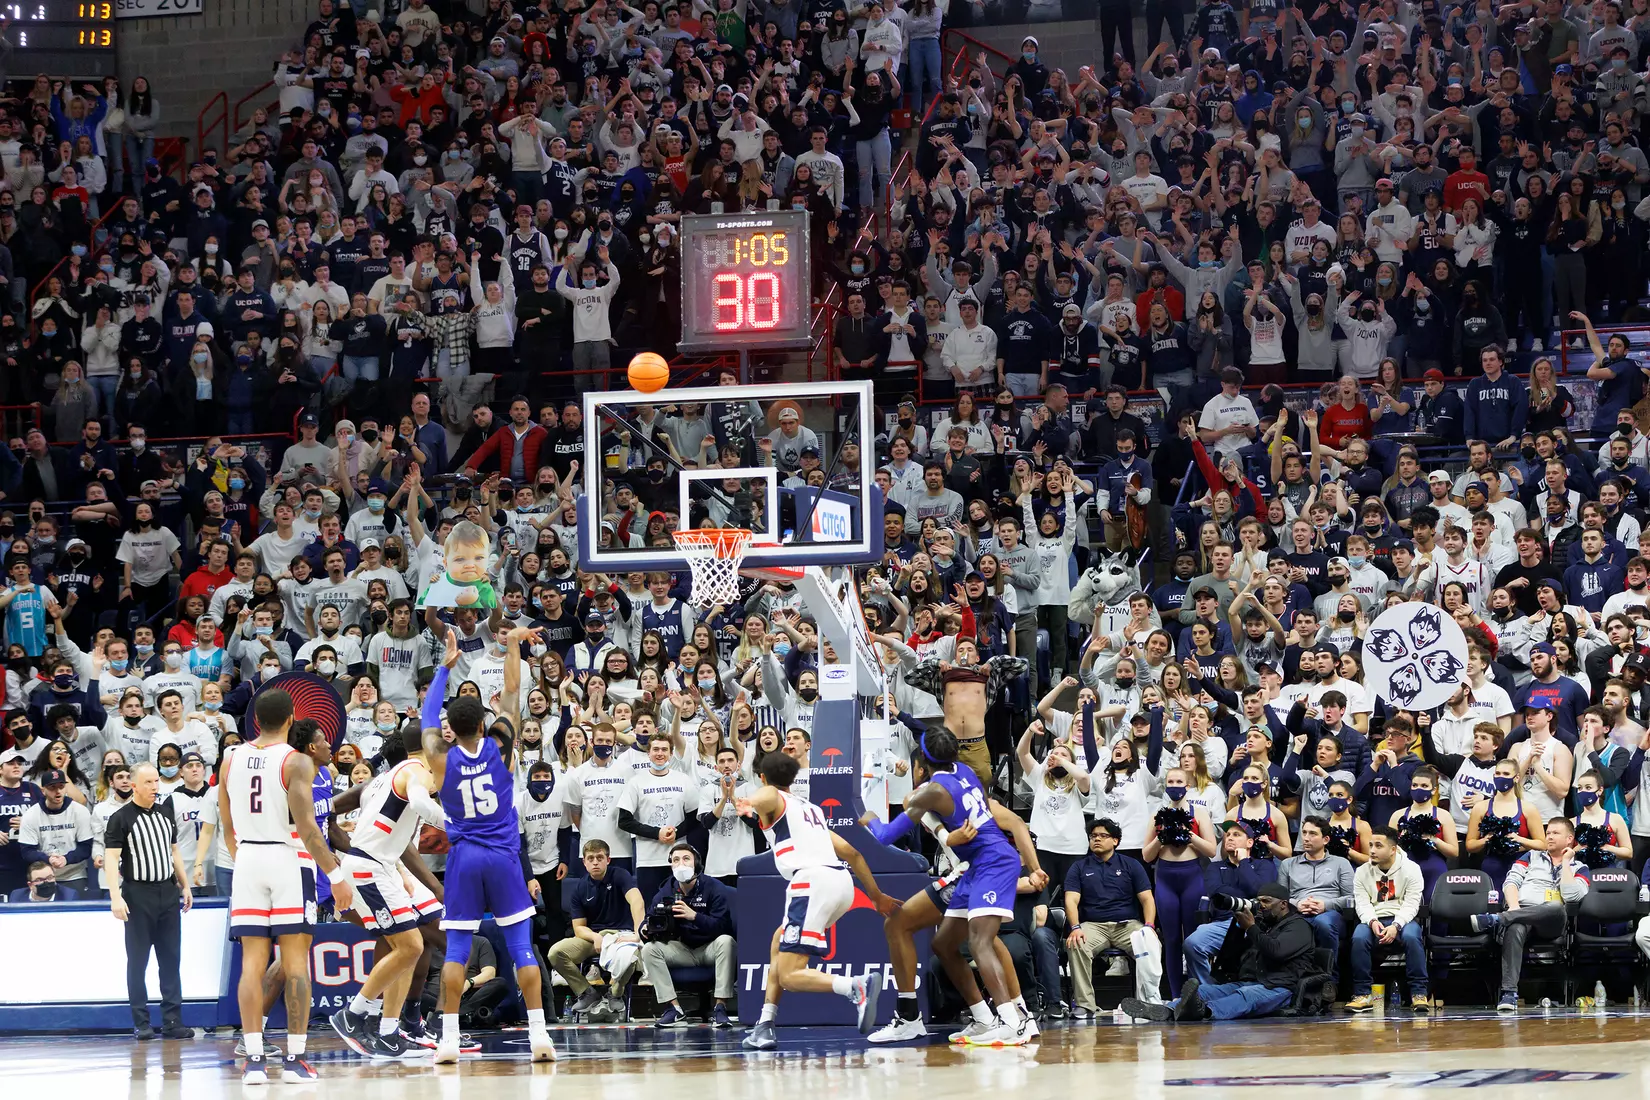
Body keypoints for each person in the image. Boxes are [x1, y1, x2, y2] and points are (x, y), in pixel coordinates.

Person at [421, 624, 557, 1062]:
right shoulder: (501, 749)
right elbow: (513, 691)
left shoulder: (439, 757)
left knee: (458, 951)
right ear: (482, 724)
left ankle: (447, 1039)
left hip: (463, 858)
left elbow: (426, 718)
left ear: (451, 729)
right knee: (520, 948)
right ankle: (539, 1035)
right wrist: (512, 643)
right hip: (502, 856)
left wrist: (445, 669)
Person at [863, 726, 1045, 1044]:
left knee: (981, 942)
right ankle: (985, 1019)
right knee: (944, 944)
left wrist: (870, 817)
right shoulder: (964, 771)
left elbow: (886, 835)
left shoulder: (930, 792)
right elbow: (954, 812)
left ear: (921, 761)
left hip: (990, 863)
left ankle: (1013, 1020)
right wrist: (947, 835)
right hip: (974, 866)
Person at [221, 689, 353, 1083]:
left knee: (251, 965)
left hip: (247, 858)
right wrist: (336, 875)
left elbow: (227, 825)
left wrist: (246, 856)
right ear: (292, 718)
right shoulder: (296, 761)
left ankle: (254, 1060)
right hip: (289, 859)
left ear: (255, 720)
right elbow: (309, 829)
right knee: (295, 964)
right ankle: (295, 1060)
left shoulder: (230, 758)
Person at [737, 751, 898, 1050]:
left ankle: (855, 986)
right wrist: (875, 896)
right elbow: (852, 853)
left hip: (811, 882)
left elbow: (768, 795)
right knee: (779, 942)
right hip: (841, 883)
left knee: (789, 975)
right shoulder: (811, 810)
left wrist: (749, 802)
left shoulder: (773, 798)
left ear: (762, 777)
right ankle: (765, 1024)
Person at [327, 720, 447, 1057]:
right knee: (411, 946)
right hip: (370, 867)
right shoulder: (416, 770)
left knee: (409, 948)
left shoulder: (381, 779)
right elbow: (422, 805)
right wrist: (458, 826)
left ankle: (388, 1030)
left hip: (380, 865)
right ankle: (354, 1014)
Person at [1121, 882, 1328, 1022]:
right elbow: (1230, 954)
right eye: (1259, 901)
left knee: (1244, 996)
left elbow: (1276, 951)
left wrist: (1251, 928)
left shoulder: (1299, 926)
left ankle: (1203, 1011)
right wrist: (1238, 927)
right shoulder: (1263, 924)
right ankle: (1166, 1011)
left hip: (1282, 988)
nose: (1261, 906)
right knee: (1204, 991)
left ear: (1283, 904)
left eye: (1266, 901)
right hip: (1253, 981)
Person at [103, 762, 194, 1040]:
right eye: (149, 782)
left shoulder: (165, 813)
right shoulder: (120, 818)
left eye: (156, 782)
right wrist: (115, 896)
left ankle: (173, 1021)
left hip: (167, 892)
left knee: (171, 959)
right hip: (137, 894)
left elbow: (174, 851)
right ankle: (141, 1022)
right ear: (134, 786)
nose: (155, 787)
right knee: (138, 960)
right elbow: (110, 859)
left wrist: (185, 885)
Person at [1473, 817, 1591, 1013]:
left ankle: (1498, 919)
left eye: (1555, 833)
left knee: (1556, 906)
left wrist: (1566, 862)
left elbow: (1571, 896)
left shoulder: (1580, 868)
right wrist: (1514, 907)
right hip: (1521, 912)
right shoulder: (1531, 856)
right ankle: (1509, 993)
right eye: (1548, 833)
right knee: (1515, 927)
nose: (1549, 836)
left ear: (1570, 839)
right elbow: (1511, 882)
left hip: (1551, 921)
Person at [1063, 817, 1163, 1020]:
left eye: (1103, 835)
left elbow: (1147, 899)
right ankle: (1085, 1005)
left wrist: (1149, 926)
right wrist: (1075, 927)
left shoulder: (1131, 865)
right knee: (1076, 943)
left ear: (1115, 841)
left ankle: (1148, 1001)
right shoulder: (1079, 867)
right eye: (1093, 836)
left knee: (1150, 942)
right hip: (1093, 926)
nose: (1096, 839)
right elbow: (1071, 901)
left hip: (1127, 925)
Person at [638, 842, 738, 1028]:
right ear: (671, 865)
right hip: (682, 948)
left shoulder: (714, 887)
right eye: (676, 860)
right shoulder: (665, 891)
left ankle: (720, 1007)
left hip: (709, 947)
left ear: (696, 864)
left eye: (686, 859)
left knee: (727, 941)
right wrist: (644, 929)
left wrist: (695, 916)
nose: (681, 864)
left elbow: (723, 926)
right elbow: (648, 920)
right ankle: (673, 1008)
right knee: (649, 949)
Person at [1346, 825, 1430, 1014]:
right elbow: (1362, 903)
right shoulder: (1362, 871)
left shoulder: (1412, 869)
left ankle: (1418, 993)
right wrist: (1372, 921)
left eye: (1378, 846)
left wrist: (1396, 925)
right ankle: (1362, 994)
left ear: (1393, 849)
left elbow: (1412, 904)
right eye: (1370, 845)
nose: (1372, 850)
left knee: (1411, 936)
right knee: (1359, 937)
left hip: (1403, 919)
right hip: (1374, 918)